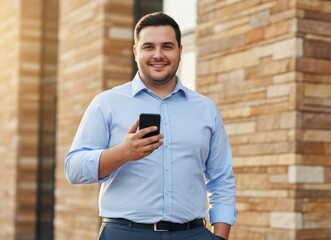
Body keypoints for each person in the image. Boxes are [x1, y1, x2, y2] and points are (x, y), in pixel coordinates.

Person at [64, 12, 236, 240]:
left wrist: (220, 236)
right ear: (136, 51)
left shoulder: (205, 109)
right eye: (148, 47)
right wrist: (122, 153)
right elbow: (73, 169)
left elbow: (221, 178)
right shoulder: (107, 103)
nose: (158, 55)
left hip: (193, 234)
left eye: (167, 46)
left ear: (180, 51)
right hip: (124, 233)